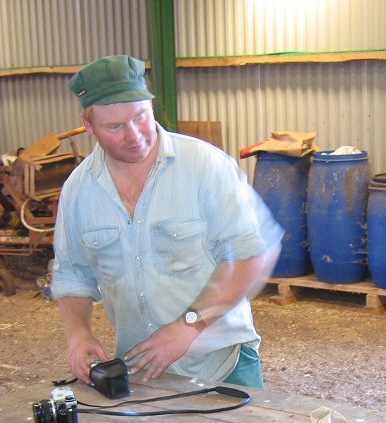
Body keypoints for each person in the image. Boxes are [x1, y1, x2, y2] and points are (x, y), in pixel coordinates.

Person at [51, 55, 282, 389]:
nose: (134, 135)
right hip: (143, 369)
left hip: (222, 363)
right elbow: (73, 274)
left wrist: (189, 325)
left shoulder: (205, 166)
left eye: (141, 117)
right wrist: (78, 332)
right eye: (115, 127)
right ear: (88, 125)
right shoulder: (78, 190)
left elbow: (252, 254)